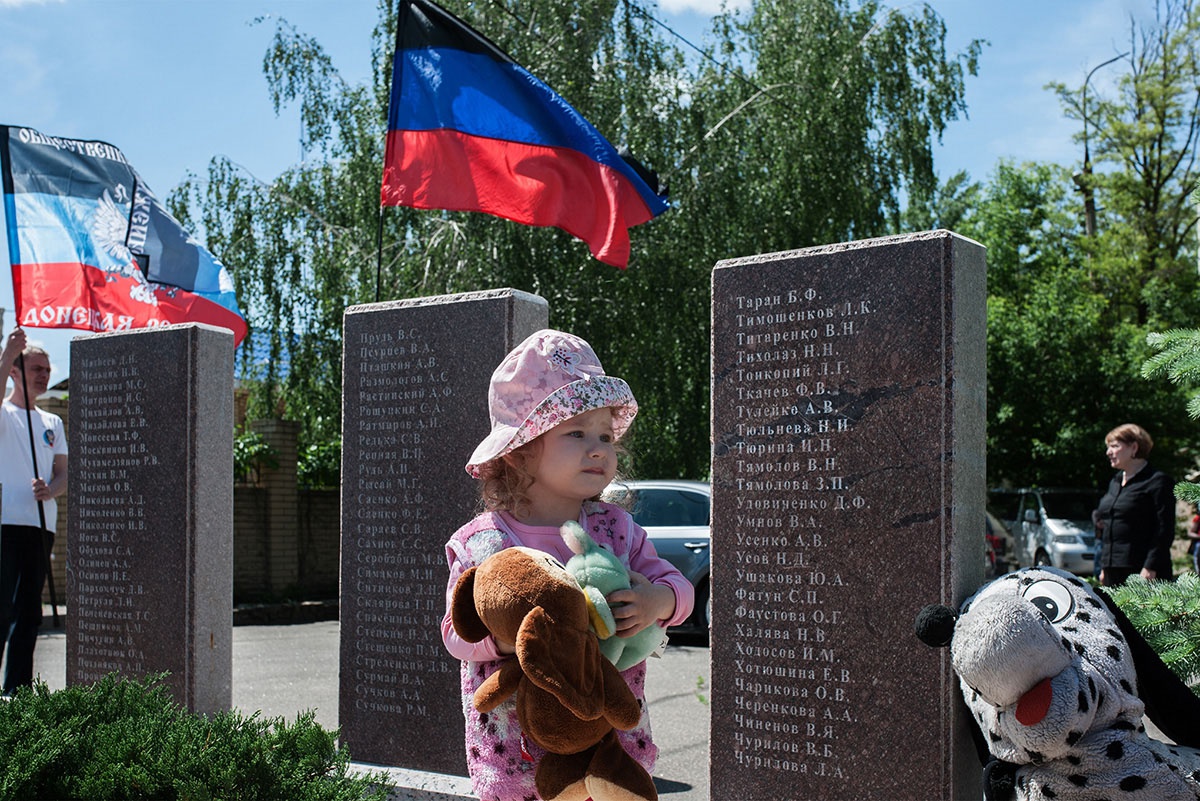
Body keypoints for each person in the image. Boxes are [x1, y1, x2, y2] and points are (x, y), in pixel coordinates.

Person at [440, 329, 694, 801]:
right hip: (514, 748)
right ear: (519, 451)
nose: (598, 448)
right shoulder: (483, 543)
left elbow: (679, 590)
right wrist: (508, 632)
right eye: (576, 433)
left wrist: (655, 600)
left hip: (610, 745)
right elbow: (456, 634)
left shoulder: (616, 530)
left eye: (604, 435)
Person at [0, 327, 68, 694]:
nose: (43, 375)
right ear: (15, 372)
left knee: (28, 614)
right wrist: (9, 351)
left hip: (40, 525)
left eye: (46, 369)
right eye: (34, 368)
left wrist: (49, 490)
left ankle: (16, 694)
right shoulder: (4, 412)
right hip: (5, 523)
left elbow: (63, 474)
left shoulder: (51, 422)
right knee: (1, 611)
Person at [1094, 423, 1174, 587]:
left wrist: (1150, 567)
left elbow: (1164, 529)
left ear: (1134, 447)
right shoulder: (1115, 482)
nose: (1108, 452)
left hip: (1142, 570)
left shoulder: (1158, 481)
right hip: (1112, 569)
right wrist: (1104, 567)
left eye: (1115, 446)